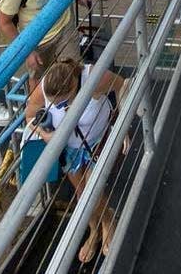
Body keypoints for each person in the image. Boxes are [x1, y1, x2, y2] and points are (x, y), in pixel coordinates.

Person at [24, 58, 128, 262]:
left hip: (96, 141)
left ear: (75, 85)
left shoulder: (95, 78)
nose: (60, 107)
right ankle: (94, 231)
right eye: (55, 104)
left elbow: (122, 86)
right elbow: (29, 117)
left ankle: (108, 222)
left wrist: (122, 124)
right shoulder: (44, 87)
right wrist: (45, 136)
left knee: (92, 190)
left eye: (64, 102)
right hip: (70, 149)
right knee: (82, 194)